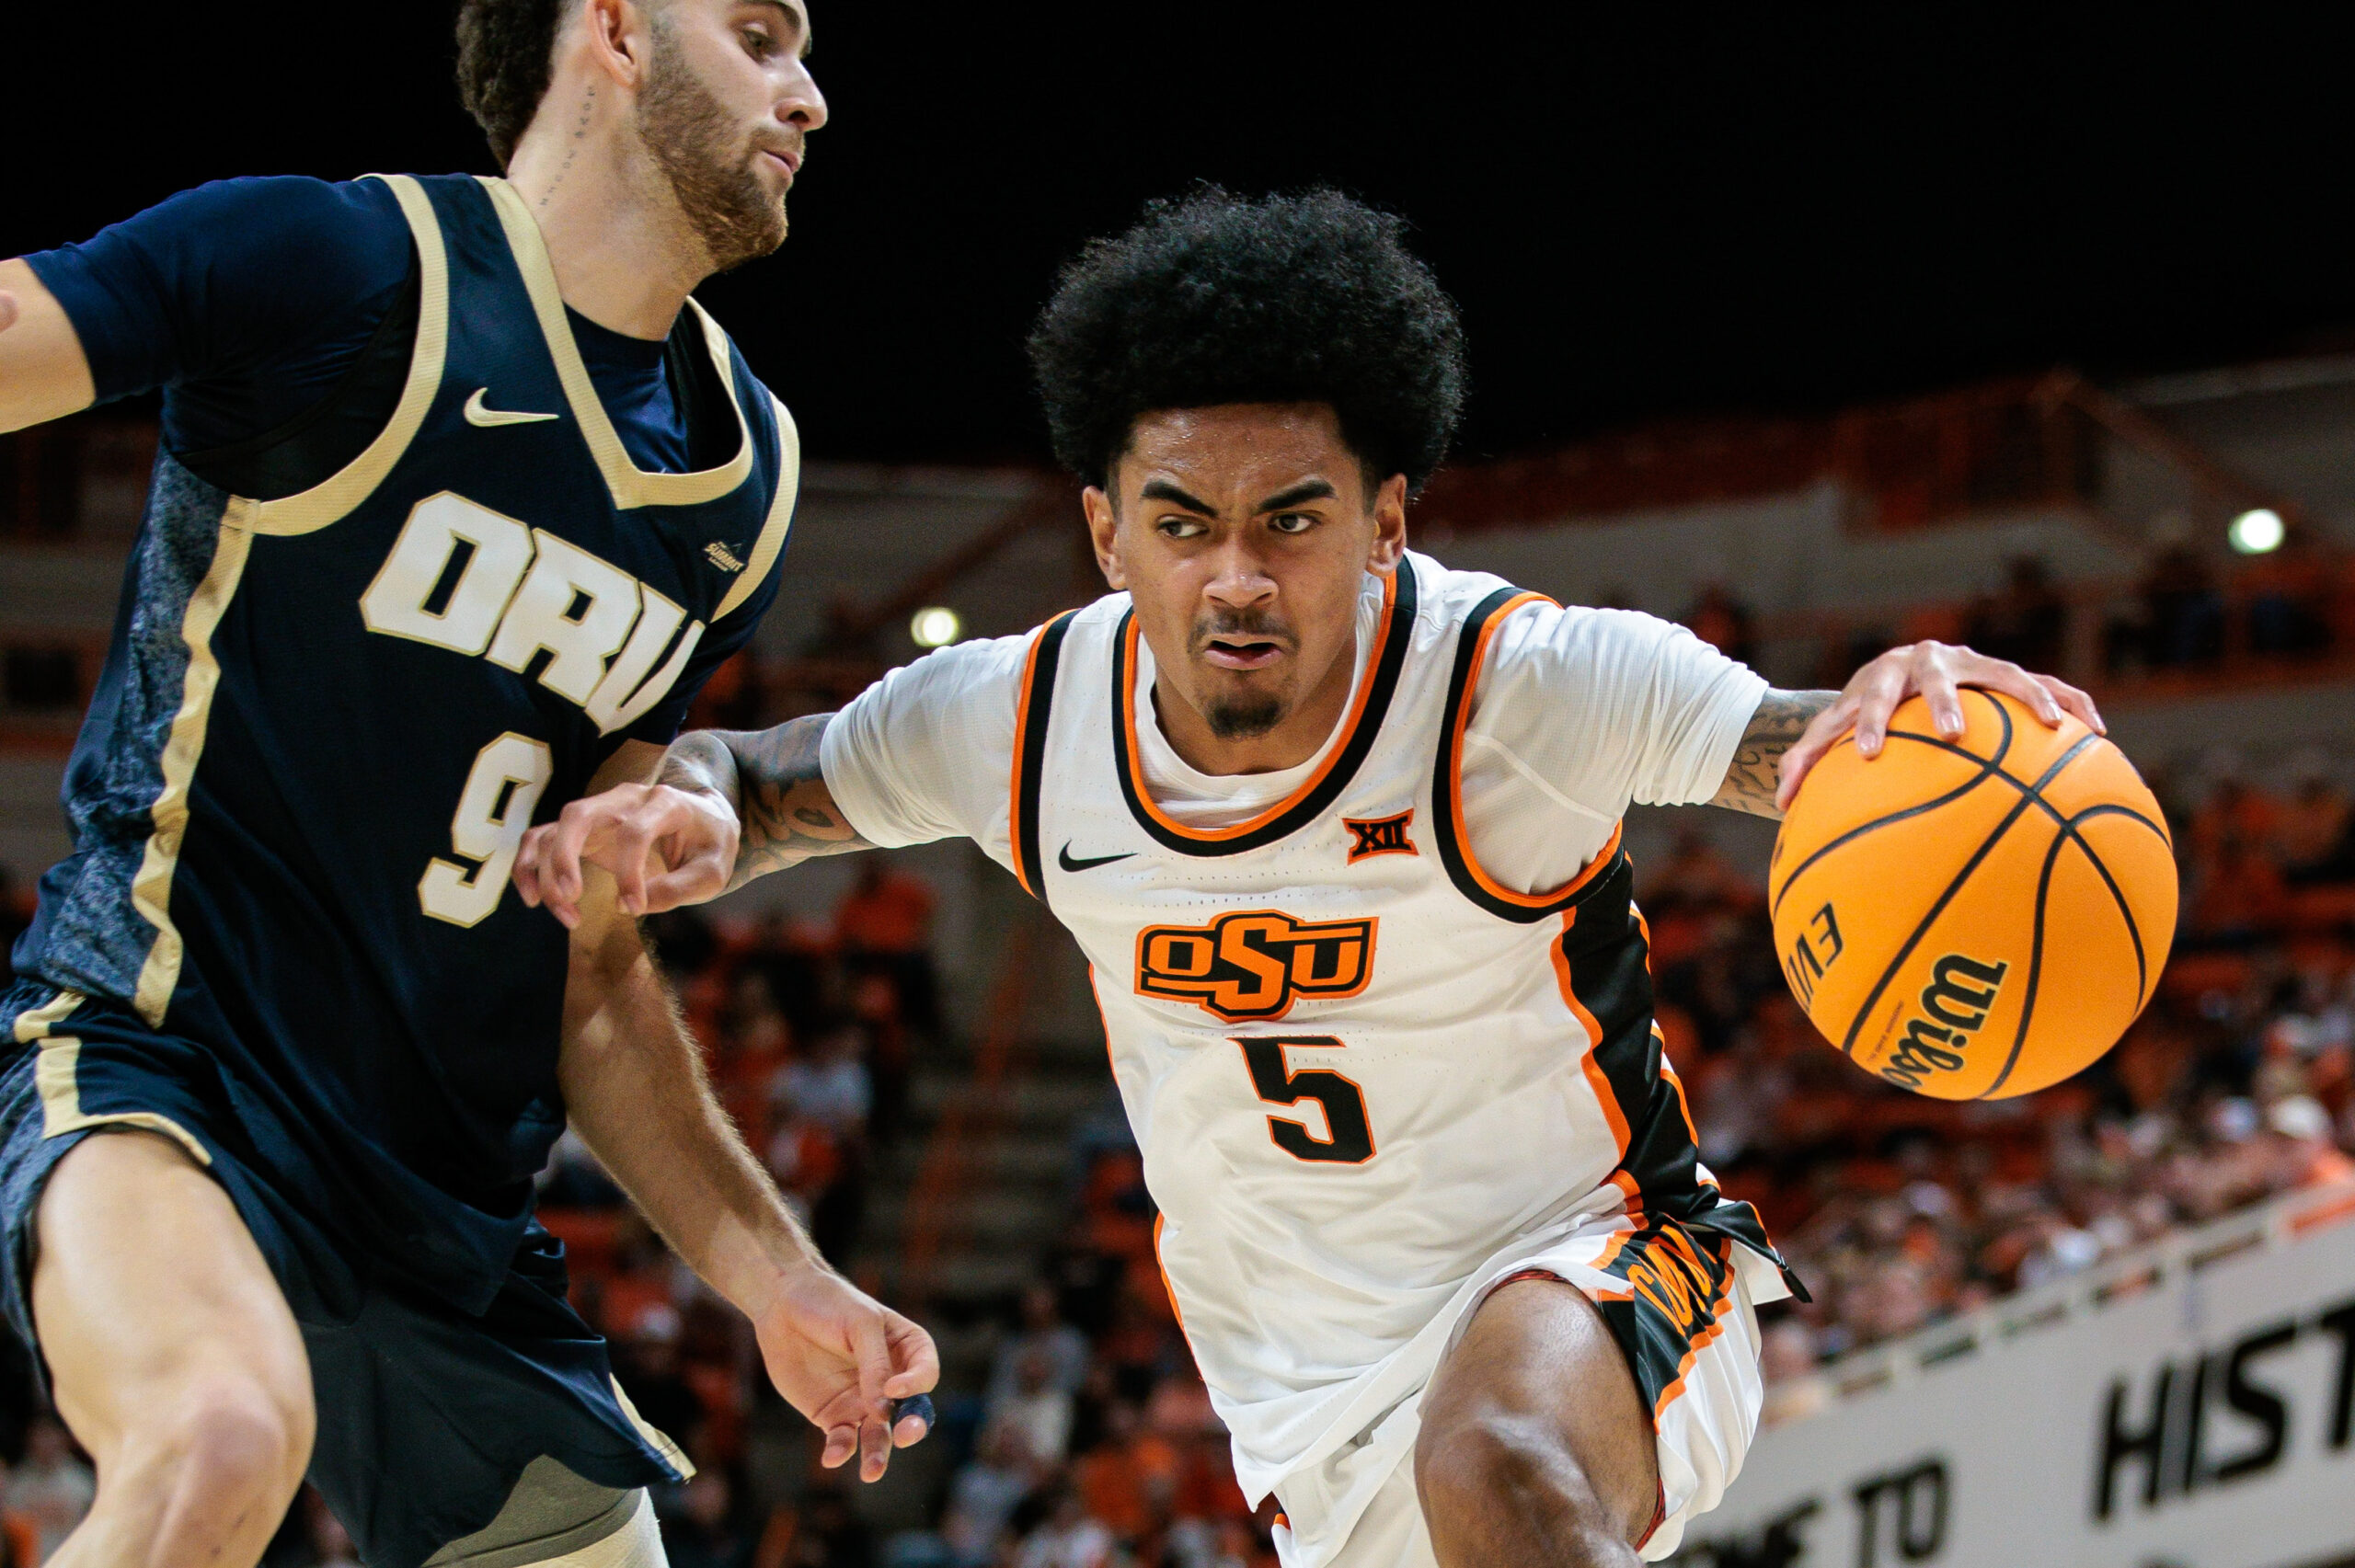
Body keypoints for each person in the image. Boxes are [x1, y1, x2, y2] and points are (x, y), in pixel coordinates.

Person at [517, 190, 2102, 1566]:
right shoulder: (1021, 720)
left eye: (1292, 520)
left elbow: (1795, 745)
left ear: (1384, 523)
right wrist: (695, 805)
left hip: (1597, 1265)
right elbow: (758, 773)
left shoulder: (1519, 685)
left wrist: (1897, 714)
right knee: (1467, 1474)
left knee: (1493, 1452)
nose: (1238, 577)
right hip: (1306, 1416)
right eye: (1183, 523)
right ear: (1106, 535)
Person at [0, 3, 933, 1565]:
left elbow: (593, 958)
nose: (810, 95)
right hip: (163, 1064)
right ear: (614, 28)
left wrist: (779, 1277)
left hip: (440, 1208)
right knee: (217, 1432)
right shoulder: (336, 268)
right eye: (760, 35)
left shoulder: (746, 481)